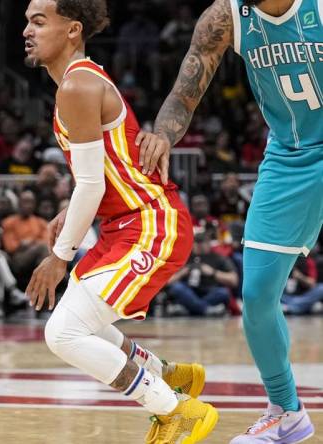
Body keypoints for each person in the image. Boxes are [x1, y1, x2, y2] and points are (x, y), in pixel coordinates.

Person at [21, 1, 218, 442]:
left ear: (73, 30)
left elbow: (91, 185)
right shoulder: (78, 81)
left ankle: (174, 410)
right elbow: (106, 173)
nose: (26, 31)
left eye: (38, 21)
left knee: (64, 333)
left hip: (150, 223)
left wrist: (59, 255)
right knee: (78, 318)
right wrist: (69, 212)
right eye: (26, 22)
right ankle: (166, 374)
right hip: (126, 224)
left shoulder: (77, 86)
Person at [136, 0, 321, 440]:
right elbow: (185, 91)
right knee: (257, 295)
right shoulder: (227, 15)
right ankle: (286, 412)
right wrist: (163, 133)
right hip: (289, 161)